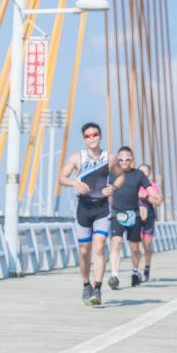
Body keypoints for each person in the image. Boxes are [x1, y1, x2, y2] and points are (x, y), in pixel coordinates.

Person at [58, 122, 121, 305]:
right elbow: (61, 178)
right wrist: (74, 183)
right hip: (84, 208)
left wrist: (114, 187)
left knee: (99, 247)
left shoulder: (110, 158)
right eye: (88, 136)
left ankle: (98, 289)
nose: (92, 138)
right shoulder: (77, 157)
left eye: (95, 135)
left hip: (102, 208)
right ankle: (86, 284)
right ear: (84, 139)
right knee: (85, 251)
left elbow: (120, 176)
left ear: (100, 136)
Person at [104, 148, 152, 289]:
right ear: (117, 160)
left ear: (132, 160)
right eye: (121, 159)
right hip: (117, 213)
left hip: (134, 215)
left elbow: (149, 188)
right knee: (116, 242)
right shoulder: (112, 174)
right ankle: (114, 276)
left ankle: (135, 272)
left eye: (127, 159)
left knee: (135, 248)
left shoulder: (139, 175)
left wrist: (155, 197)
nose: (124, 162)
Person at [136, 163, 164, 282]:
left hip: (149, 216)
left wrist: (146, 196)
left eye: (145, 171)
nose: (143, 173)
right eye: (140, 171)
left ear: (149, 173)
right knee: (136, 245)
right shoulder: (134, 185)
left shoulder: (153, 186)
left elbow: (158, 202)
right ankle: (136, 271)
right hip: (135, 216)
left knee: (147, 245)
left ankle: (147, 269)